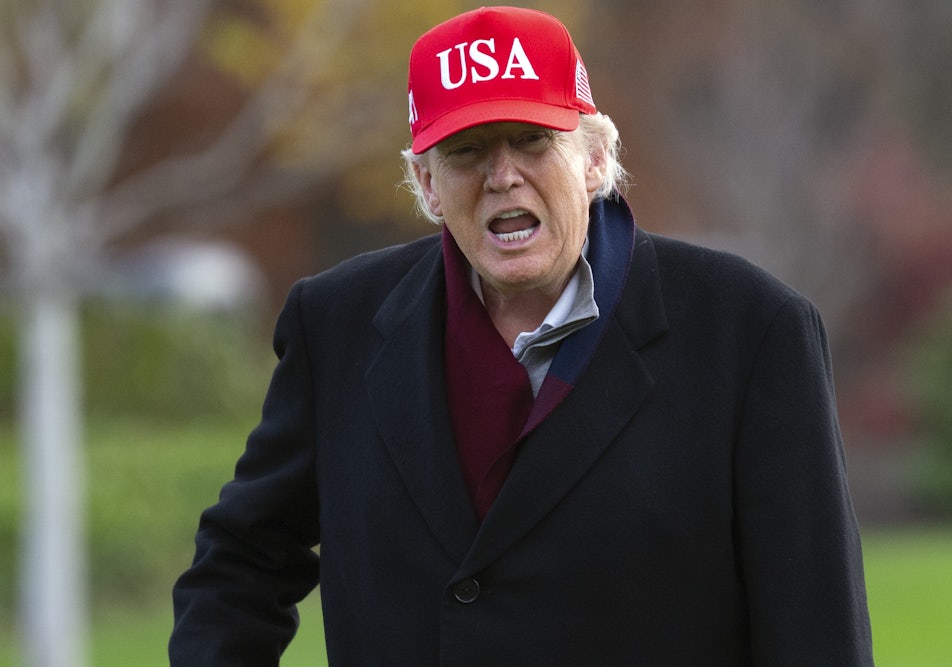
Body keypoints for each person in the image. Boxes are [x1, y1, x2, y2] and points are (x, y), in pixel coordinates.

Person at [170, 6, 873, 665]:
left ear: (595, 157)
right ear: (427, 183)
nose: (503, 176)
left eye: (533, 140)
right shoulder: (337, 325)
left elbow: (815, 624)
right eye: (467, 151)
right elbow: (241, 562)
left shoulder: (751, 331)